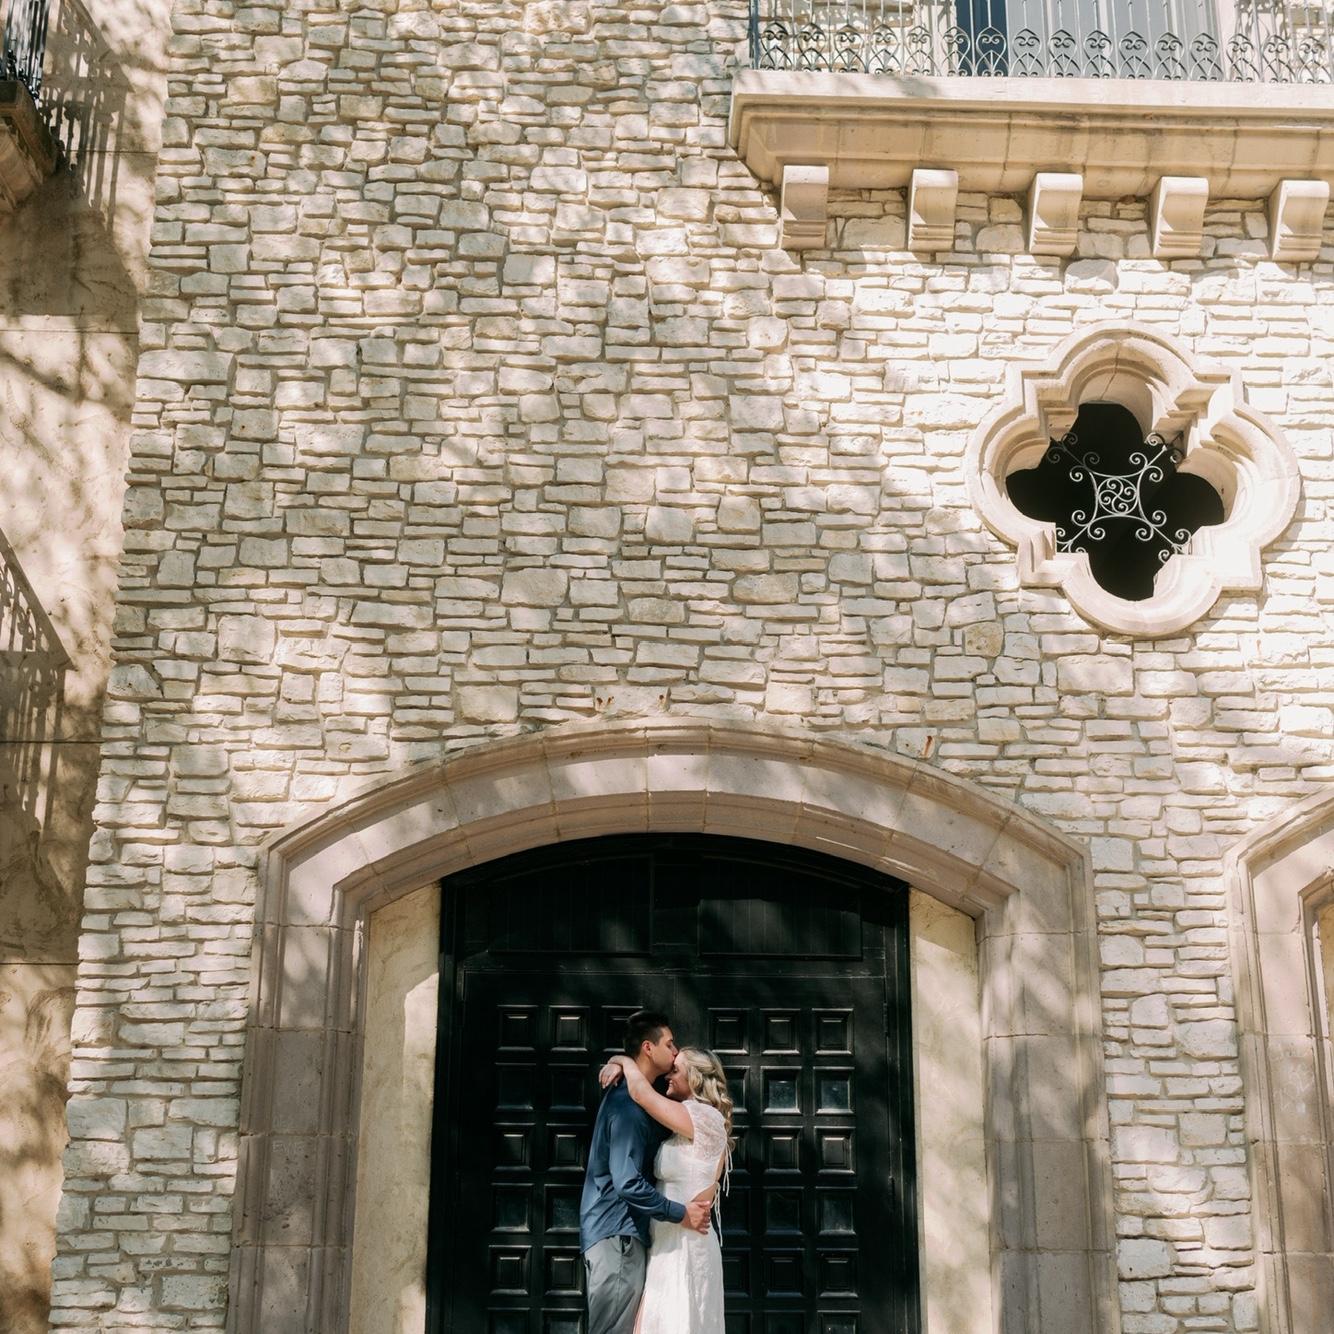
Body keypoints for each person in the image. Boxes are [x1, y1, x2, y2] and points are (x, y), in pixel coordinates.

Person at [580, 1011, 713, 1334]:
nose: (675, 1051)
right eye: (669, 1044)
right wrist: (681, 1213)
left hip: (616, 1235)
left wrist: (621, 1061)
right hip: (619, 1237)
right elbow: (627, 1182)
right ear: (648, 1048)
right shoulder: (628, 1106)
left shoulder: (636, 1097)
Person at [598, 1046, 733, 1334]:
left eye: (675, 1070)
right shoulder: (683, 1121)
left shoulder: (706, 1118)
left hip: (686, 1245)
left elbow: (641, 1095)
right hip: (665, 1244)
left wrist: (622, 1060)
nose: (668, 1076)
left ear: (695, 1077)